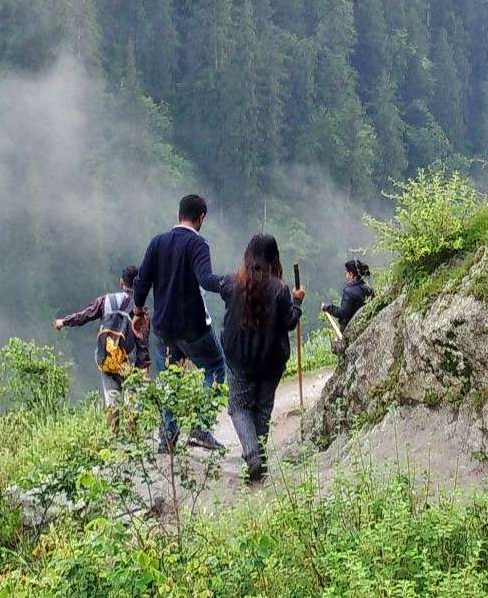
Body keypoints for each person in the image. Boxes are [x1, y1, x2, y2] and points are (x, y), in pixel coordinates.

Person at [131, 193, 230, 452]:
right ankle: (200, 426)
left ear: (178, 215)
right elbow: (206, 279)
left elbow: (141, 281)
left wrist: (139, 312)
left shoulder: (158, 242)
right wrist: (231, 283)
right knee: (217, 366)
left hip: (163, 328)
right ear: (201, 218)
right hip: (192, 328)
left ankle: (168, 439)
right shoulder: (198, 245)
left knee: (168, 379)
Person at [214, 233, 304, 483]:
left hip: (239, 358)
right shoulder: (280, 290)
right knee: (262, 409)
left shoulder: (233, 282)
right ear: (274, 258)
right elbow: (289, 322)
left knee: (239, 407)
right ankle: (259, 460)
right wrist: (297, 303)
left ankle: (252, 456)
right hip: (270, 361)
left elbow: (213, 282)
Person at [52, 266, 152, 404]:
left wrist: (63, 321)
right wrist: (145, 368)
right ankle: (130, 425)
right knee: (133, 406)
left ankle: (113, 426)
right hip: (130, 361)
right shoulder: (141, 308)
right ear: (137, 284)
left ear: (121, 282)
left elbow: (85, 315)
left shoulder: (106, 300)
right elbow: (142, 340)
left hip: (108, 357)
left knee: (112, 403)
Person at [321, 259, 375, 329]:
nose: (346, 276)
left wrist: (327, 307)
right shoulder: (368, 288)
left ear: (351, 274)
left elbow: (343, 313)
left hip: (352, 328)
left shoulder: (349, 292)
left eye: (346, 273)